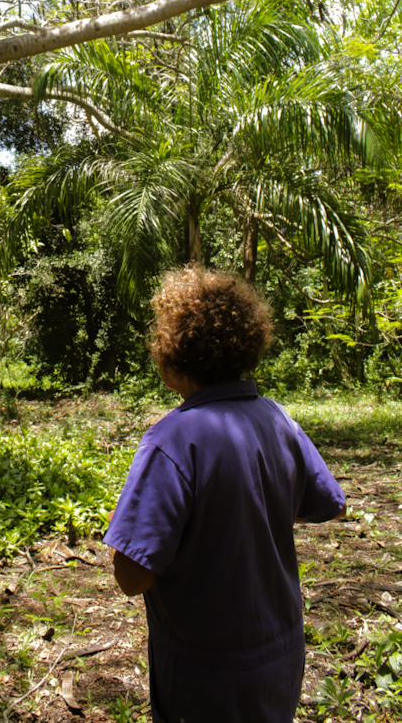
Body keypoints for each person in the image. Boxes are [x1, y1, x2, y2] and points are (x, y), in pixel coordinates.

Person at [104, 266, 346, 723]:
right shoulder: (278, 420)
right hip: (282, 651)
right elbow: (328, 502)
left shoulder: (172, 440)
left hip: (206, 670)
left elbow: (132, 575)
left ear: (173, 357)